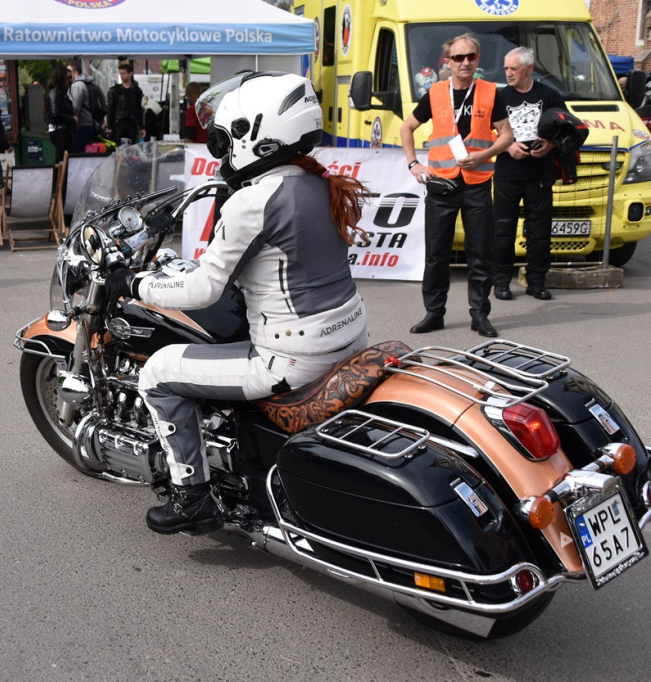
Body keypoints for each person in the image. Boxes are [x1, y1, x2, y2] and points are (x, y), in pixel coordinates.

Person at [104, 72, 370, 535]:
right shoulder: (318, 182)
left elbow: (204, 289)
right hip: (349, 336)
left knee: (158, 372)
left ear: (254, 136)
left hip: (292, 358)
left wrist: (134, 285)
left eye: (225, 141)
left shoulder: (254, 200)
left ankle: (193, 496)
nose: (223, 152)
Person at [399, 33, 513, 338]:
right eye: (458, 57)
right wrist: (413, 163)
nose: (465, 63)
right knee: (436, 254)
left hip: (477, 183)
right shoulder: (435, 93)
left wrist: (484, 155)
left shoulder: (490, 93)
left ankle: (479, 315)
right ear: (448, 62)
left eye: (471, 57)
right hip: (440, 184)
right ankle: (434, 313)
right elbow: (407, 127)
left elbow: (506, 136)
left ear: (478, 59)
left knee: (480, 254)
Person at [491, 46, 565, 302]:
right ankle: (501, 282)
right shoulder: (499, 97)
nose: (508, 73)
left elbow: (567, 127)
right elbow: (486, 130)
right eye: (506, 69)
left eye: (513, 68)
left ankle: (536, 282)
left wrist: (551, 145)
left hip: (539, 174)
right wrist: (507, 145)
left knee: (540, 232)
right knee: (503, 230)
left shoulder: (549, 95)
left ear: (529, 68)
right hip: (507, 174)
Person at [106, 61, 145, 145]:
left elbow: (139, 109)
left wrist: (141, 127)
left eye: (124, 73)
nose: (122, 76)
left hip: (131, 123)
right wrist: (110, 127)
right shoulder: (115, 91)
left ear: (130, 73)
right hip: (119, 123)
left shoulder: (136, 91)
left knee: (131, 146)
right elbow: (110, 109)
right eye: (120, 73)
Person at [66, 59, 98, 151]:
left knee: (79, 154)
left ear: (75, 73)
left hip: (82, 125)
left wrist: (71, 119)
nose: (67, 75)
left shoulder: (77, 86)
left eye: (69, 72)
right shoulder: (87, 83)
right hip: (90, 123)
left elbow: (75, 108)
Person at [46, 63, 75, 163]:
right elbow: (55, 114)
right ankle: (60, 178)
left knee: (61, 159)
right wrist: (72, 119)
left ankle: (59, 178)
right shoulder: (56, 93)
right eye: (68, 78)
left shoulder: (60, 93)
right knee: (64, 159)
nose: (70, 80)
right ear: (61, 78)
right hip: (59, 132)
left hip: (61, 131)